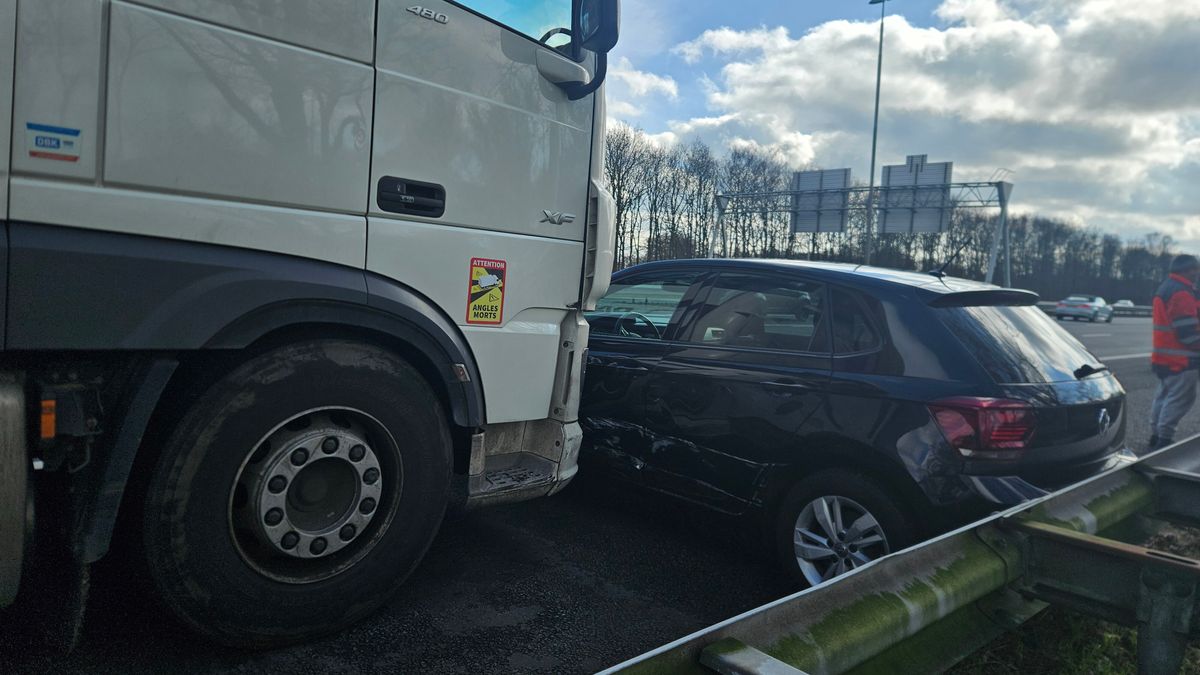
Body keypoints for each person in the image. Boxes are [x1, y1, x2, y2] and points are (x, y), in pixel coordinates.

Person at [1149, 254, 1200, 450]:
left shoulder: (1167, 288)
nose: (1197, 274)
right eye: (1195, 269)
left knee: (1164, 396)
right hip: (1181, 360)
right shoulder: (1181, 293)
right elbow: (1188, 335)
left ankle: (1156, 435)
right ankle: (1164, 440)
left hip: (1164, 357)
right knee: (1180, 399)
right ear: (1187, 270)